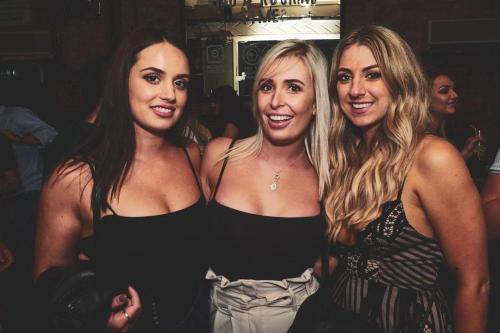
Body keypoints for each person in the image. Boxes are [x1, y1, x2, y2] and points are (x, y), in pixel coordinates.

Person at [35, 27, 209, 332]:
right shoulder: (76, 177)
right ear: (122, 81)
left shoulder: (191, 155)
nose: (169, 94)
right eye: (152, 77)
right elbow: (48, 285)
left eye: (180, 83)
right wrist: (98, 320)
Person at [324, 25, 489, 333]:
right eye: (345, 77)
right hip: (338, 318)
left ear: (399, 80)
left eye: (373, 74)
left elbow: (474, 283)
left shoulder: (433, 157)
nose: (355, 89)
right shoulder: (349, 156)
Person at [200, 40, 331, 333]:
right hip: (219, 321)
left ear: (316, 103)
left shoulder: (328, 177)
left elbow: (334, 261)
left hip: (300, 322)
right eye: (267, 86)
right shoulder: (219, 155)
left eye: (294, 87)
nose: (276, 101)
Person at [428, 73, 484, 161]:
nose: (455, 95)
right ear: (424, 98)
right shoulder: (423, 139)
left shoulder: (442, 132)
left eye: (453, 89)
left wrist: (465, 154)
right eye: (444, 91)